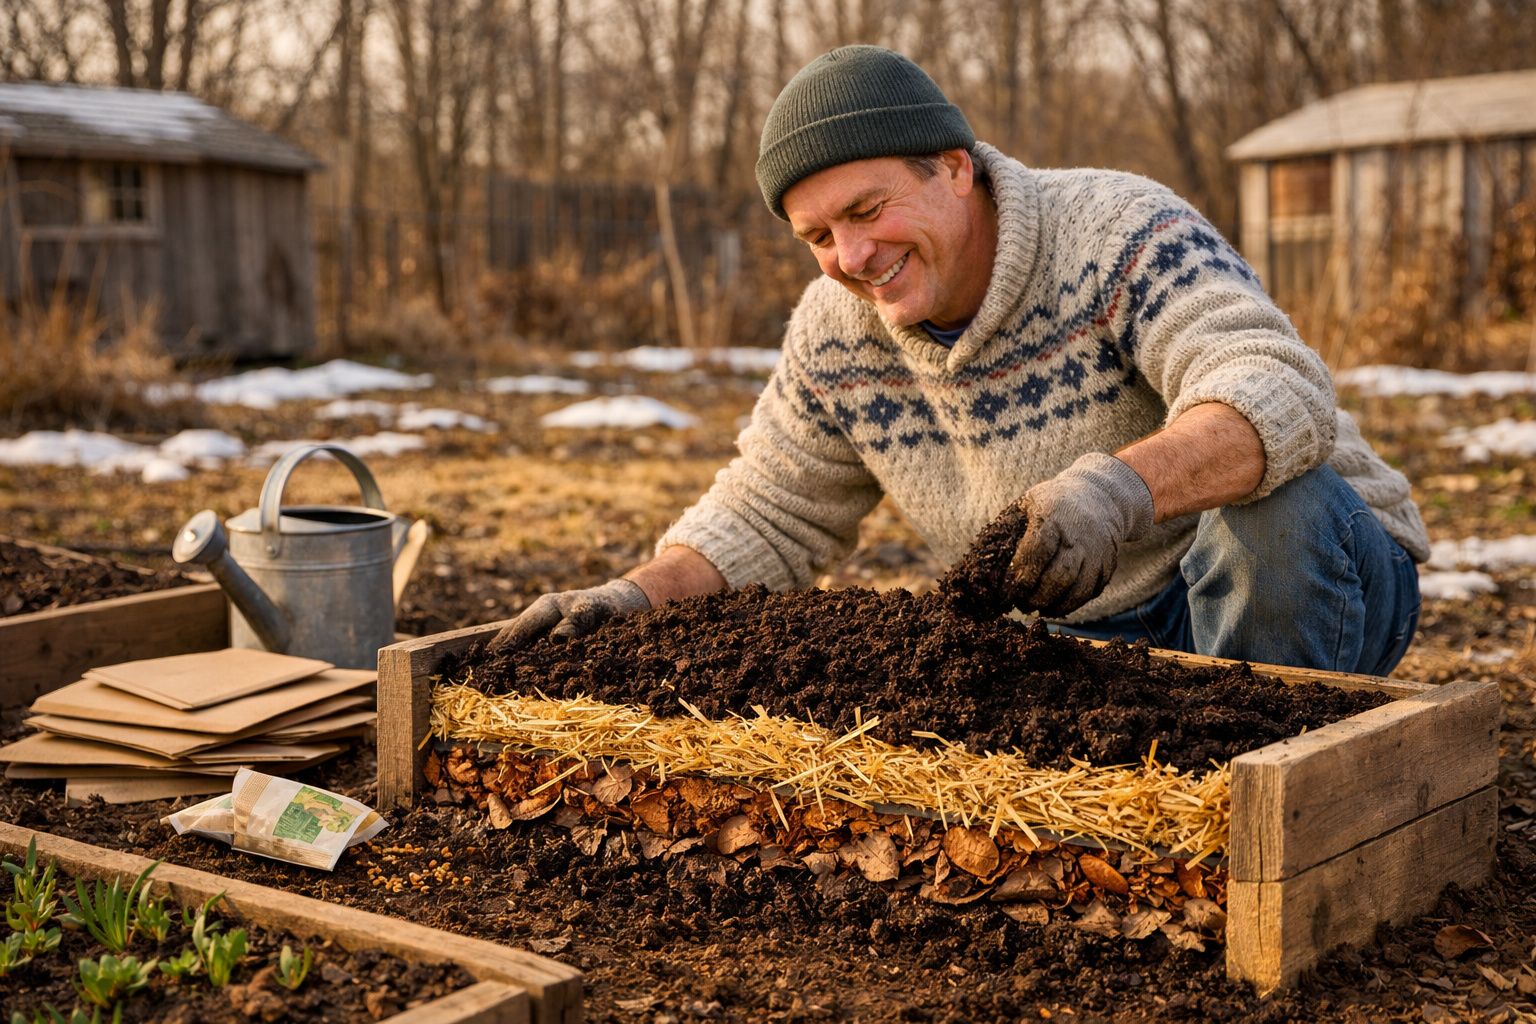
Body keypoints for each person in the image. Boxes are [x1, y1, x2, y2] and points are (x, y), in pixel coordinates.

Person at [494, 44, 1427, 674]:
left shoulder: (1117, 230)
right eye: (818, 235)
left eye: (867, 212)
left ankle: (1278, 773)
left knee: (1271, 511)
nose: (851, 258)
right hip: (1085, 635)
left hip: (1314, 583)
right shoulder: (835, 331)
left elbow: (1269, 384)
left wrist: (1113, 491)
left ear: (953, 166)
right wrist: (632, 599)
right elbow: (771, 510)